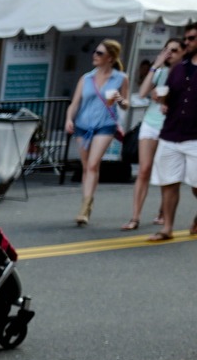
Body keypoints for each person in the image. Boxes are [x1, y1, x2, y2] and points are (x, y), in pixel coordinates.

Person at [64, 39, 127, 226]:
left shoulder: (121, 78)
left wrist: (120, 100)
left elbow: (126, 104)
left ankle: (85, 207)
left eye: (99, 53)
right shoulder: (86, 78)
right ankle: (87, 200)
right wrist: (69, 119)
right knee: (86, 167)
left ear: (110, 58)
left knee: (92, 164)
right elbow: (75, 103)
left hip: (105, 125)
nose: (95, 56)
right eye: (95, 52)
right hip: (83, 125)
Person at [125, 39, 184, 231]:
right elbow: (142, 93)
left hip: (170, 126)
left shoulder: (185, 73)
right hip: (151, 123)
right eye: (166, 50)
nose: (169, 54)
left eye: (174, 51)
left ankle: (162, 212)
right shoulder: (159, 72)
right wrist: (155, 67)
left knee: (165, 172)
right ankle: (135, 217)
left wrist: (169, 101)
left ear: (183, 53)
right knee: (144, 169)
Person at [149, 24, 197, 243]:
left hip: (195, 136)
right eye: (186, 38)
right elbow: (169, 95)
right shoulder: (178, 68)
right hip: (171, 132)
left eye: (192, 38)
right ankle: (167, 227)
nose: (187, 42)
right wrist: (162, 100)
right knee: (169, 182)